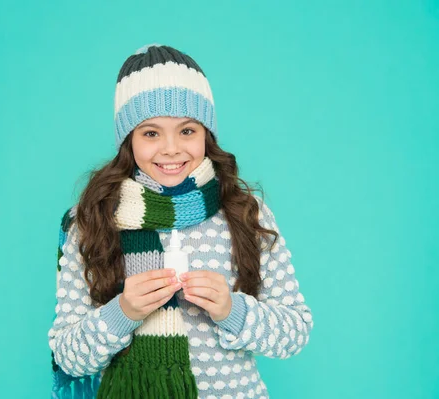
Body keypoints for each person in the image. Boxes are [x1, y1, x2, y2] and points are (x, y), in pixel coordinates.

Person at [48, 43, 314, 399]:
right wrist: (123, 312)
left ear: (207, 133)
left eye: (187, 130)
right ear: (128, 140)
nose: (171, 148)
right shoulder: (94, 221)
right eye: (151, 133)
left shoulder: (245, 213)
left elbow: (294, 332)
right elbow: (67, 356)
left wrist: (231, 309)